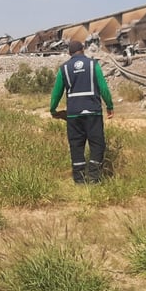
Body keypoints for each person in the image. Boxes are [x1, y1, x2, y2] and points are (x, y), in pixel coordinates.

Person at [49, 40, 114, 184]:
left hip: (73, 114)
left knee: (76, 146)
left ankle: (79, 180)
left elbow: (56, 92)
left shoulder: (64, 69)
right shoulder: (93, 65)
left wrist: (53, 109)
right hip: (93, 113)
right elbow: (103, 87)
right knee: (97, 144)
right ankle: (94, 177)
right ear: (83, 49)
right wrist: (109, 105)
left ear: (69, 53)